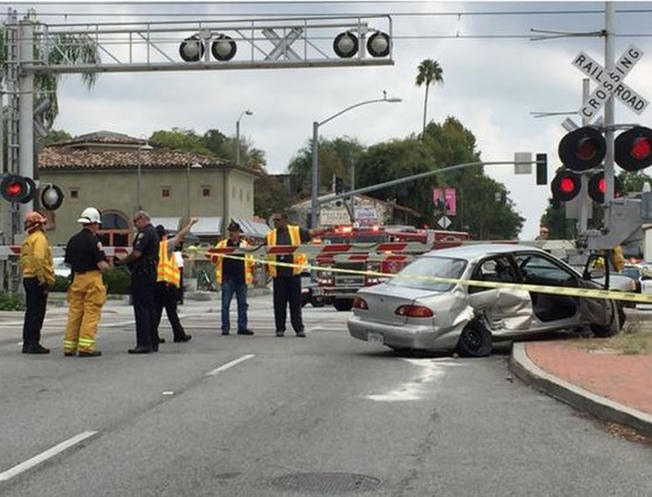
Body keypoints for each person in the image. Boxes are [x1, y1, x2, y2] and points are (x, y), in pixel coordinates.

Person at [266, 212, 324, 337]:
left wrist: (325, 230)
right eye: (274, 220)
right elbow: (264, 252)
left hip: (293, 274)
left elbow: (310, 233)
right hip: (279, 275)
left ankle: (298, 328)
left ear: (284, 220)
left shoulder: (295, 231)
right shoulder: (270, 235)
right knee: (279, 304)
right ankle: (280, 328)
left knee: (295, 304)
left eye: (278, 219)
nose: (275, 222)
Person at [63, 207, 111, 357]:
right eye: (97, 224)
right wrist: (109, 266)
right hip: (92, 279)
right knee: (91, 313)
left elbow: (68, 262)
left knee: (75, 313)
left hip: (77, 279)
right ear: (94, 223)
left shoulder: (73, 240)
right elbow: (101, 265)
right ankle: (85, 347)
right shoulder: (94, 241)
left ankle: (69, 347)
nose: (98, 227)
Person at [117, 210, 159, 354]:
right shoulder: (153, 232)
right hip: (150, 273)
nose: (135, 225)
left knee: (141, 309)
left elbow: (137, 253)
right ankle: (153, 341)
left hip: (142, 273)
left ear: (142, 219)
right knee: (150, 308)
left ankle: (144, 343)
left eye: (135, 222)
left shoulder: (145, 233)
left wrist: (123, 261)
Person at [154, 217, 198, 344]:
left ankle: (154, 335)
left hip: (157, 283)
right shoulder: (165, 245)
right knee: (171, 312)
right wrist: (191, 223)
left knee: (157, 312)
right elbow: (181, 235)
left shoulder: (152, 247)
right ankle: (179, 334)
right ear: (164, 236)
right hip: (167, 284)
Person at [19, 211, 55, 354]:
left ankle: (28, 343)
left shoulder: (27, 240)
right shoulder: (39, 239)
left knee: (30, 312)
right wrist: (42, 279)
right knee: (37, 313)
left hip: (28, 277)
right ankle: (34, 344)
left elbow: (24, 260)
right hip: (37, 279)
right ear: (39, 224)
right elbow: (39, 259)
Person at [215, 220, 255, 336]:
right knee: (225, 304)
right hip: (227, 277)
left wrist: (252, 276)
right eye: (231, 232)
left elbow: (251, 262)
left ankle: (242, 327)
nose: (232, 234)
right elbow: (213, 257)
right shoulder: (223, 244)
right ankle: (225, 328)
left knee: (242, 304)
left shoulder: (245, 245)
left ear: (239, 233)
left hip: (241, 278)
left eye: (234, 231)